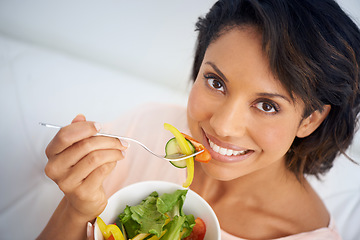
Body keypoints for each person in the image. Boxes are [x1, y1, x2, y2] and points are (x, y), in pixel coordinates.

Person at [37, 0, 360, 239]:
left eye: (266, 105)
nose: (222, 126)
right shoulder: (147, 128)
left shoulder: (303, 234)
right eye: (216, 82)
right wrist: (78, 207)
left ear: (310, 120)